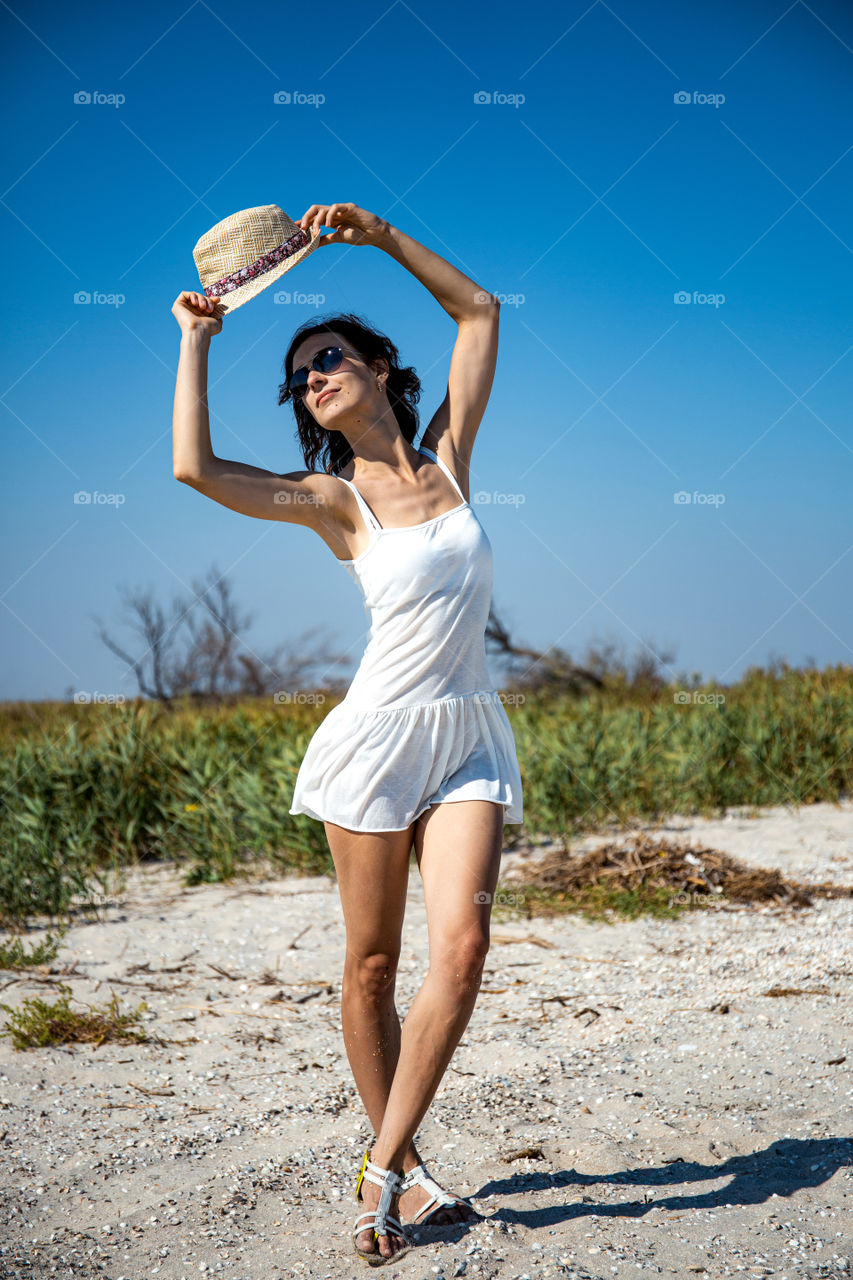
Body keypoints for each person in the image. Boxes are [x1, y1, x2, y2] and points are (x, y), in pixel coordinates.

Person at [171, 202, 524, 1266]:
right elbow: (196, 468)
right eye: (299, 379)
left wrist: (378, 238)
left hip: (466, 734)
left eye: (327, 357)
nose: (313, 378)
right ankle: (409, 1170)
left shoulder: (452, 458)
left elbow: (479, 310)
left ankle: (377, 1164)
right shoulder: (333, 499)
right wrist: (195, 342)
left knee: (461, 945)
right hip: (374, 740)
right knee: (370, 965)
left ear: (377, 365)